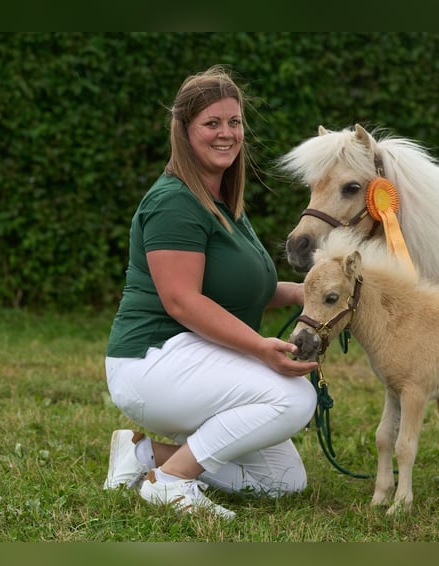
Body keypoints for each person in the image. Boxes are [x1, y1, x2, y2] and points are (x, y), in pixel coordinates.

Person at [103, 65, 319, 520]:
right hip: (152, 360)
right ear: (184, 131)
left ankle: (143, 455)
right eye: (212, 123)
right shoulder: (173, 202)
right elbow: (183, 300)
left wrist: (308, 291)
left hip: (190, 355)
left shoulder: (220, 201)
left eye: (234, 122)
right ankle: (172, 481)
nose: (226, 134)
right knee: (295, 399)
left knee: (283, 483)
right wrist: (261, 348)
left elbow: (239, 289)